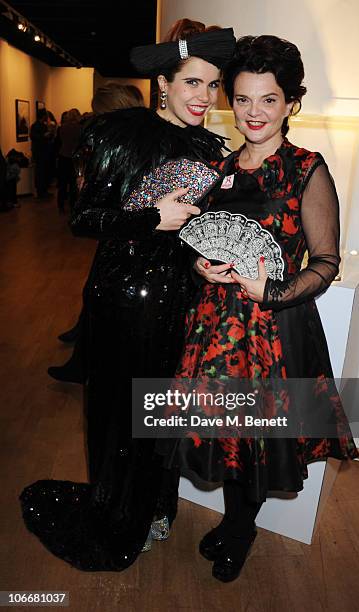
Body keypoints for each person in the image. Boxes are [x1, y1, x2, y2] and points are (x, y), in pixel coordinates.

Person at [20, 20, 235, 572]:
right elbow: (86, 218)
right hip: (124, 296)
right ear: (163, 83)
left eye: (212, 86)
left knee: (160, 413)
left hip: (180, 298)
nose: (204, 97)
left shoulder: (210, 148)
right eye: (192, 83)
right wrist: (151, 217)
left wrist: (204, 259)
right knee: (123, 412)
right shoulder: (122, 134)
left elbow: (192, 230)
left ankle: (152, 508)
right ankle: (120, 516)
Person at [173, 35, 359, 582]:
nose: (254, 112)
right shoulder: (220, 167)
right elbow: (202, 241)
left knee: (256, 442)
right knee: (225, 438)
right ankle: (235, 523)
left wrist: (271, 293)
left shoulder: (306, 169)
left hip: (272, 332)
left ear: (290, 104)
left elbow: (325, 263)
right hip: (216, 327)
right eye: (244, 99)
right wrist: (201, 267)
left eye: (269, 99)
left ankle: (240, 531)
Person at [48, 85, 146, 384]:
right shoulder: (133, 137)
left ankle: (84, 364)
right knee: (95, 293)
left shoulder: (123, 141)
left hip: (128, 232)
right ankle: (82, 352)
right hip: (123, 229)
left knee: (101, 298)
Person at [56, 108, 82, 213]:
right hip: (74, 157)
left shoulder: (62, 128)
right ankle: (73, 205)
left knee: (62, 183)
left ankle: (60, 205)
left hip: (63, 156)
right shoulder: (80, 128)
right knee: (73, 183)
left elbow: (59, 142)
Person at [30, 109, 53, 199]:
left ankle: (44, 190)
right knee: (40, 172)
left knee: (44, 171)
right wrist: (44, 136)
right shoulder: (35, 126)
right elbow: (33, 137)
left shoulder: (42, 125)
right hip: (40, 153)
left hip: (44, 152)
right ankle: (41, 192)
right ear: (43, 116)